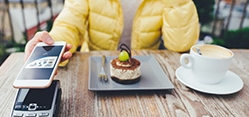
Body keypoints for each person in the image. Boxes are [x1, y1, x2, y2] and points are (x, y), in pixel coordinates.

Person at [25, 0, 200, 63]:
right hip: (95, 67)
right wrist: (51, 45)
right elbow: (69, 23)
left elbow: (180, 44)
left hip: (145, 70)